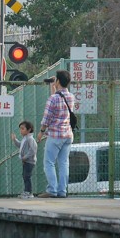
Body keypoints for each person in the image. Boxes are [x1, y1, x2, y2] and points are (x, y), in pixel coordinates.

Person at [37, 70, 75, 198]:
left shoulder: (53, 99)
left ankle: (52, 190)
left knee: (49, 163)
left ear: (58, 81)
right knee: (64, 163)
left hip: (55, 136)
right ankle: (62, 191)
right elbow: (58, 101)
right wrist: (53, 87)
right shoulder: (71, 97)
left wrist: (41, 132)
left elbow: (47, 118)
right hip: (67, 135)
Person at [11, 120, 37, 198]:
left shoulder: (30, 139)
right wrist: (14, 140)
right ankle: (26, 191)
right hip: (26, 161)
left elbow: (33, 150)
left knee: (27, 176)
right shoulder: (25, 138)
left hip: (29, 161)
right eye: (20, 129)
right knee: (25, 176)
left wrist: (24, 157)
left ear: (28, 130)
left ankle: (28, 192)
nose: (20, 131)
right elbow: (20, 145)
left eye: (22, 129)